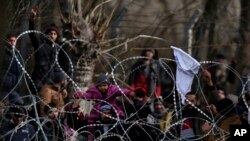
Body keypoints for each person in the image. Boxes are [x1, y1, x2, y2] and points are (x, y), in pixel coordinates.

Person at [74, 73, 134, 141]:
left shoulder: (112, 89)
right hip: (98, 109)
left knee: (120, 115)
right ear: (97, 86)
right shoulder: (94, 92)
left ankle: (120, 130)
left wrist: (129, 92)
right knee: (91, 120)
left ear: (108, 85)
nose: (102, 87)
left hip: (112, 107)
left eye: (104, 85)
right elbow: (87, 95)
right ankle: (91, 135)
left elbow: (121, 91)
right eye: (100, 86)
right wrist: (80, 94)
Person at [28, 8, 63, 94]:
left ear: (57, 36)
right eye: (50, 33)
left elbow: (57, 68)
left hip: (49, 83)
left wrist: (63, 81)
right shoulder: (40, 45)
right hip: (37, 81)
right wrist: (32, 20)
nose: (52, 35)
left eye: (55, 34)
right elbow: (32, 34)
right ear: (47, 35)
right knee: (41, 104)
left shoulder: (56, 50)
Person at [1, 33, 24, 105]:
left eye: (14, 41)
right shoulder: (3, 53)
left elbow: (20, 69)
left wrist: (19, 82)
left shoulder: (17, 53)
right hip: (4, 87)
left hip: (15, 87)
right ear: (7, 41)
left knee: (20, 104)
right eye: (11, 40)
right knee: (5, 107)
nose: (13, 42)